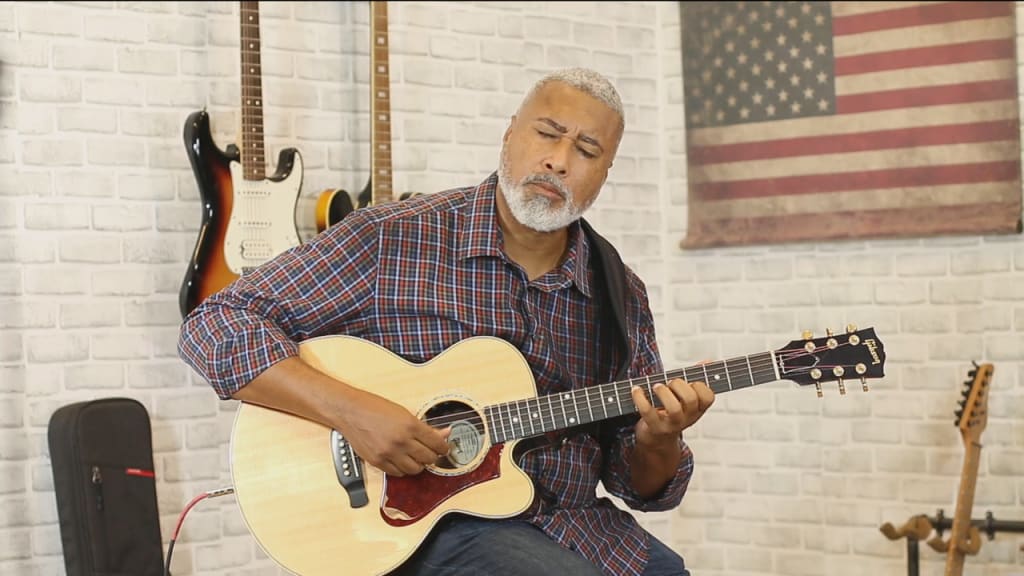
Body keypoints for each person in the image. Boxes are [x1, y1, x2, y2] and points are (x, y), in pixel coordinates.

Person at [177, 67, 715, 576]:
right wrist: (353, 413)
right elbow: (216, 322)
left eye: (587, 150)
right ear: (509, 136)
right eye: (547, 134)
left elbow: (640, 485)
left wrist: (658, 438)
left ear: (604, 172)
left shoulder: (618, 292)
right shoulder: (394, 239)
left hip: (578, 528)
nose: (558, 161)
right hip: (419, 523)